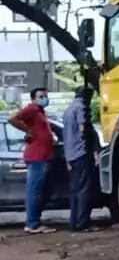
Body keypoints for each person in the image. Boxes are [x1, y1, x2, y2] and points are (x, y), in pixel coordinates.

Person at [8, 87, 56, 234]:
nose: (44, 98)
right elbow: (12, 118)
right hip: (36, 157)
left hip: (43, 156)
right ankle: (32, 224)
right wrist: (27, 131)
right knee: (34, 191)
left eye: (46, 96)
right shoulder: (32, 109)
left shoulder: (40, 112)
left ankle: (35, 221)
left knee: (42, 190)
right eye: (41, 96)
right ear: (34, 98)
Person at [61, 86, 100, 232]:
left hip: (71, 155)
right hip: (82, 153)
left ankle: (74, 223)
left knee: (75, 190)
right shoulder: (81, 108)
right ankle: (83, 223)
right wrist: (94, 150)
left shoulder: (68, 110)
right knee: (85, 190)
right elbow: (84, 130)